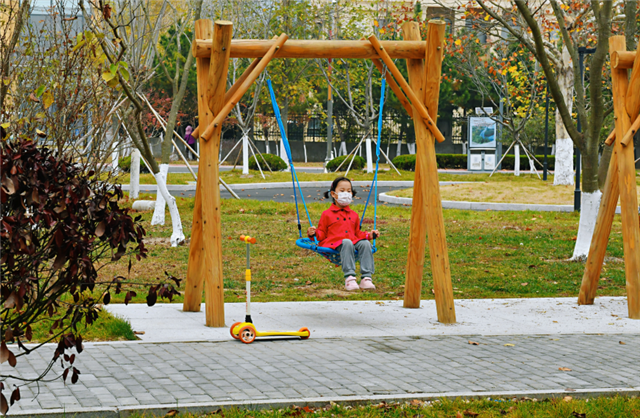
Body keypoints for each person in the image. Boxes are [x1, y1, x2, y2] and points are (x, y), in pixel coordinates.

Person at [307, 177, 380, 291]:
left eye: (349, 191)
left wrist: (368, 236)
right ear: (333, 194)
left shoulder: (354, 215)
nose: (346, 193)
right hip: (334, 244)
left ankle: (366, 278)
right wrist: (313, 234)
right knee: (346, 242)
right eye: (342, 191)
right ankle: (350, 278)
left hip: (352, 242)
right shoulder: (327, 214)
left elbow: (357, 233)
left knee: (365, 244)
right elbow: (322, 234)